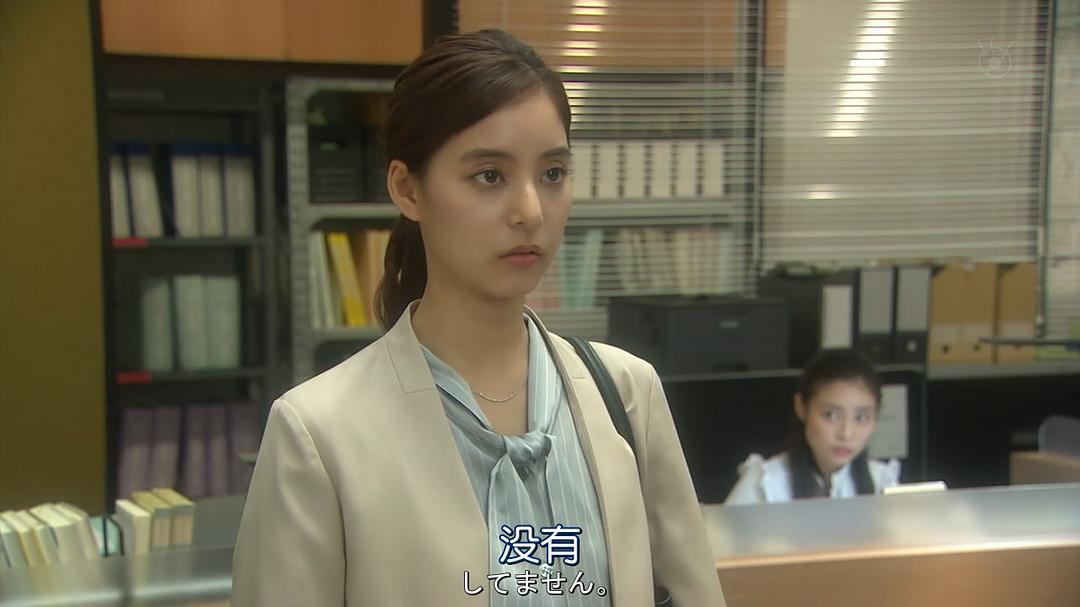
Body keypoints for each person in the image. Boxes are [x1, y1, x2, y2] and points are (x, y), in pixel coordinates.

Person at [232, 29, 725, 606]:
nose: (530, 211)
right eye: (489, 175)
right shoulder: (320, 432)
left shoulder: (625, 392)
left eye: (552, 174)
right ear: (408, 189)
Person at [725, 349, 901, 505]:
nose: (846, 434)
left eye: (861, 418)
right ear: (801, 407)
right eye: (831, 415)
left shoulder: (882, 483)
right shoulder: (765, 484)